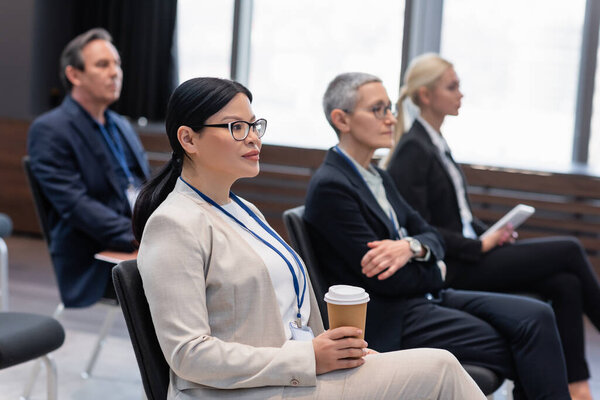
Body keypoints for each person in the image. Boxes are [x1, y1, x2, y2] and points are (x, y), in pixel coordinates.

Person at [131, 77, 486, 399]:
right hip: (244, 392)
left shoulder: (244, 210)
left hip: (289, 379)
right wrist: (309, 357)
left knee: (436, 369)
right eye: (236, 127)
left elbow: (290, 317)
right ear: (188, 138)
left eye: (254, 126)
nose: (253, 137)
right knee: (441, 369)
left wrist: (338, 353)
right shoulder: (174, 224)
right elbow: (188, 355)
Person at [304, 72, 572, 400]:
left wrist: (411, 246)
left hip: (424, 297)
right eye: (378, 110)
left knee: (537, 315)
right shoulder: (333, 187)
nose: (391, 118)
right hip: (394, 316)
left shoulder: (378, 176)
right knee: (519, 339)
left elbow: (432, 235)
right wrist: (437, 267)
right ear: (341, 119)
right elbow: (389, 281)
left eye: (390, 108)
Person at [385, 53, 600, 400]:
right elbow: (421, 229)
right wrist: (480, 246)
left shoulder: (435, 143)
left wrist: (492, 232)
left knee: (566, 283)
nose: (461, 94)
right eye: (452, 87)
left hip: (472, 253)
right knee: (570, 250)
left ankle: (577, 387)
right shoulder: (414, 149)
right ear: (426, 96)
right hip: (455, 267)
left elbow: (459, 216)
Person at [27, 28, 150, 307]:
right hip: (95, 254)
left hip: (139, 241)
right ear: (75, 75)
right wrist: (138, 238)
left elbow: (146, 186)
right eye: (103, 65)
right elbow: (75, 205)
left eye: (117, 64)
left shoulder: (120, 125)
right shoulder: (50, 129)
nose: (115, 72)